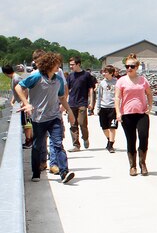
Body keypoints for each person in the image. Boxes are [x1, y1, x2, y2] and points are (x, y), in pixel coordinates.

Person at [15, 52, 76, 183]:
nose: (59, 66)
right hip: (38, 118)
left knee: (58, 144)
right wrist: (27, 104)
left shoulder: (58, 79)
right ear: (49, 64)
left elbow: (61, 97)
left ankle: (64, 172)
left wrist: (69, 111)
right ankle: (36, 172)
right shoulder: (36, 77)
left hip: (54, 117)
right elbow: (18, 87)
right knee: (37, 146)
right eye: (56, 64)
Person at [115, 54, 153, 176]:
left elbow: (149, 94)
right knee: (131, 139)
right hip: (127, 114)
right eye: (127, 66)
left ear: (137, 67)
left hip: (141, 113)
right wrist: (118, 112)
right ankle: (132, 166)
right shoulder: (121, 81)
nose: (129, 68)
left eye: (132, 66)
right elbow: (117, 97)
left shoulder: (143, 80)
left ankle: (143, 163)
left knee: (143, 137)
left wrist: (150, 106)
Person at [66, 56, 97, 151]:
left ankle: (85, 138)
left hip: (82, 103)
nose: (71, 66)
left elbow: (91, 89)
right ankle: (76, 145)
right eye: (70, 65)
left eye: (73, 64)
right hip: (71, 103)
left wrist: (91, 102)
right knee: (73, 124)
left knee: (82, 123)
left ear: (78, 64)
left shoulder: (86, 75)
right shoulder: (70, 76)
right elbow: (67, 90)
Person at [3, 64, 33, 147]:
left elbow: (24, 89)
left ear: (5, 73)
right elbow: (16, 91)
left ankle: (29, 141)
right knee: (25, 123)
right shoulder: (14, 78)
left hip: (23, 104)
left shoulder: (16, 78)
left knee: (26, 123)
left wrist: (24, 102)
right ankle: (28, 140)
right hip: (21, 103)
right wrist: (13, 101)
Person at [97, 65, 119, 152]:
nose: (104, 73)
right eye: (103, 72)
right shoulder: (102, 83)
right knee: (104, 127)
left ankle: (110, 145)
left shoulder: (117, 82)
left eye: (106, 72)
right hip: (103, 107)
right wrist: (98, 107)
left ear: (111, 73)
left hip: (113, 108)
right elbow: (99, 96)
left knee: (112, 127)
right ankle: (109, 139)